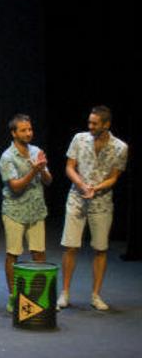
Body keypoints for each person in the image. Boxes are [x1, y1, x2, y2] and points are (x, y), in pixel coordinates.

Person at [58, 106, 128, 311]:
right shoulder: (79, 139)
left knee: (100, 248)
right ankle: (65, 292)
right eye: (89, 122)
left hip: (102, 202)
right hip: (77, 198)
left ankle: (96, 295)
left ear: (106, 125)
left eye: (94, 123)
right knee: (70, 245)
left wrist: (95, 188)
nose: (90, 126)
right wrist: (81, 184)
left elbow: (114, 177)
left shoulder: (120, 147)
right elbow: (69, 167)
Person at [0, 114, 52, 313]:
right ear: (14, 133)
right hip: (14, 211)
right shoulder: (7, 157)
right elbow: (16, 187)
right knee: (13, 253)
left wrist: (43, 169)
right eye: (23, 130)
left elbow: (48, 180)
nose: (28, 133)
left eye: (30, 129)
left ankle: (42, 297)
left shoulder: (36, 151)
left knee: (39, 253)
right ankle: (13, 296)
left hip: (36, 210)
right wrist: (33, 170)